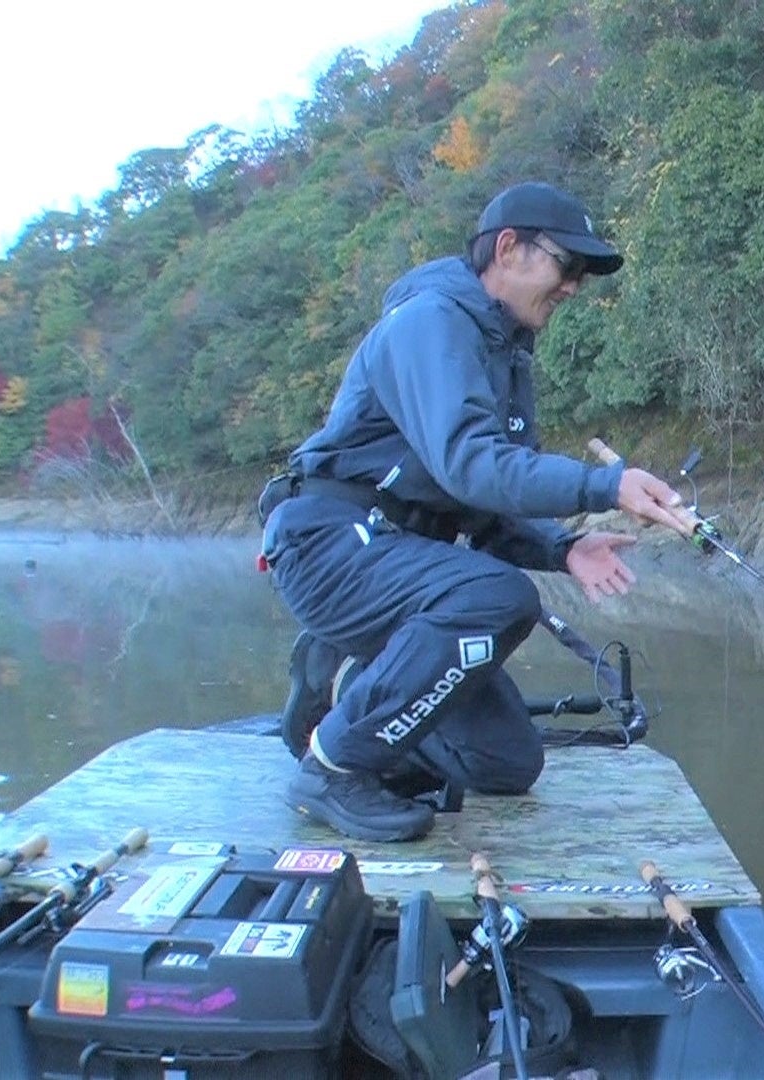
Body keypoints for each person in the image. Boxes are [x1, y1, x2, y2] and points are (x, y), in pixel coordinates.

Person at [256, 181, 694, 843]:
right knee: (499, 596)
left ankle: (348, 684)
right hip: (332, 543)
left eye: (581, 274)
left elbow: (484, 497)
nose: (574, 285)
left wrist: (563, 548)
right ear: (508, 248)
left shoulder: (505, 350)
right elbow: (471, 462)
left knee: (506, 762)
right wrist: (605, 485)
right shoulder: (431, 320)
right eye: (566, 264)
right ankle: (333, 766)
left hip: (405, 557)